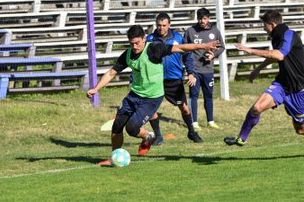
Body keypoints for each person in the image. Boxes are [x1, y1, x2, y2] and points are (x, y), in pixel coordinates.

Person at [87, 25, 219, 165]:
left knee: (131, 129)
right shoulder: (128, 54)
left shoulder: (154, 49)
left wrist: (205, 45)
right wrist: (96, 88)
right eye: (132, 43)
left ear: (144, 39)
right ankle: (114, 157)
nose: (135, 46)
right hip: (134, 95)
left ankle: (149, 136)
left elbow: (180, 48)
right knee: (117, 126)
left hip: (151, 99)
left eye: (137, 43)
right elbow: (111, 73)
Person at [224, 10, 304, 157]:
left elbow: (279, 55)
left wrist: (248, 50)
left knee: (301, 129)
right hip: (281, 85)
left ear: (272, 24)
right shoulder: (276, 37)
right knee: (257, 108)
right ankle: (241, 138)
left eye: (264, 26)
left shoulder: (289, 34)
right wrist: (258, 69)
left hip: (298, 90)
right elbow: (274, 56)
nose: (263, 29)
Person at [146, 12, 203, 145]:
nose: (161, 28)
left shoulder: (178, 37)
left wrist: (191, 72)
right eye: (159, 25)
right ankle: (158, 136)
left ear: (169, 25)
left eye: (164, 25)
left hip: (174, 79)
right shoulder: (149, 39)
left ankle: (191, 131)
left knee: (183, 107)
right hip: (156, 79)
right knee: (151, 108)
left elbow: (187, 56)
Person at [183, 8, 225, 131]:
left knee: (208, 95)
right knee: (193, 95)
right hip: (194, 70)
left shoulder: (215, 31)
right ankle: (194, 122)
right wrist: (188, 69)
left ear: (209, 18)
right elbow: (184, 49)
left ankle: (210, 121)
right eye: (200, 18)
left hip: (208, 70)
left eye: (205, 18)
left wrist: (213, 55)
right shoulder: (190, 31)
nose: (202, 21)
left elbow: (222, 47)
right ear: (197, 18)